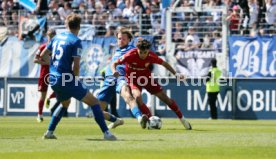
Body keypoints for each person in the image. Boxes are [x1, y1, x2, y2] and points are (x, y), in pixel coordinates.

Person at [39, 13, 116, 140]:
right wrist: (75, 80)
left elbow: (42, 56)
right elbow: (76, 66)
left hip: (52, 78)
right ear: (79, 27)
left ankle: (49, 132)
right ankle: (107, 133)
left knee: (65, 104)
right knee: (95, 103)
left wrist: (54, 65)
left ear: (66, 24)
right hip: (66, 79)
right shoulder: (76, 41)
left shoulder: (56, 38)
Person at [111, 39, 192, 130]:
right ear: (137, 49)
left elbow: (165, 64)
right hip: (133, 79)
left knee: (166, 99)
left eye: (145, 52)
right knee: (137, 97)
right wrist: (114, 71)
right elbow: (114, 63)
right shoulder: (130, 55)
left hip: (147, 79)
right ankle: (148, 120)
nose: (143, 55)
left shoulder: (151, 56)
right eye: (140, 52)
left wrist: (176, 74)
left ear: (148, 51)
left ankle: (182, 119)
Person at [97, 28, 149, 129]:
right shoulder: (117, 51)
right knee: (97, 111)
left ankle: (140, 118)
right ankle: (116, 120)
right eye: (119, 38)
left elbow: (141, 46)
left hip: (120, 78)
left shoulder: (132, 49)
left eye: (124, 39)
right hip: (108, 80)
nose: (121, 40)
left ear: (129, 40)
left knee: (127, 95)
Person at [33, 29, 58, 122]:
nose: (51, 37)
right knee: (42, 96)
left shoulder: (57, 47)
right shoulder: (42, 47)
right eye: (50, 36)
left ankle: (50, 97)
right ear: (47, 36)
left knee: (60, 90)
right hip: (44, 74)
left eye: (53, 36)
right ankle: (39, 115)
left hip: (55, 73)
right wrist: (45, 62)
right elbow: (35, 60)